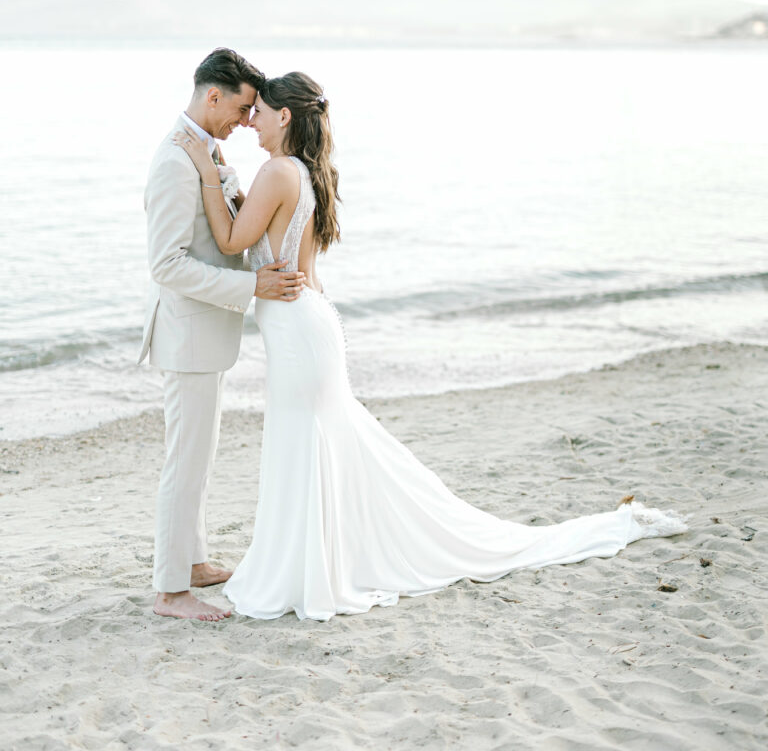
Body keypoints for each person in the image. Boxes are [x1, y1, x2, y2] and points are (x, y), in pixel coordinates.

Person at [174, 70, 688, 622]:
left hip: (298, 331)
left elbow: (231, 240)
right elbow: (289, 256)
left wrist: (206, 168)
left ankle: (307, 570)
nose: (249, 122)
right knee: (313, 446)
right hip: (309, 321)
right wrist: (228, 180)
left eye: (258, 112)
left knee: (304, 445)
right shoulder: (304, 172)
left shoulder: (277, 171)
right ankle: (309, 563)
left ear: (285, 117)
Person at [140, 48, 306, 622]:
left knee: (200, 455)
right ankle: (170, 592)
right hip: (187, 336)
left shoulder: (205, 153)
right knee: (184, 461)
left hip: (205, 335)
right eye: (239, 109)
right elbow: (166, 265)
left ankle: (193, 560)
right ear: (214, 96)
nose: (244, 121)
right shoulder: (173, 161)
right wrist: (251, 288)